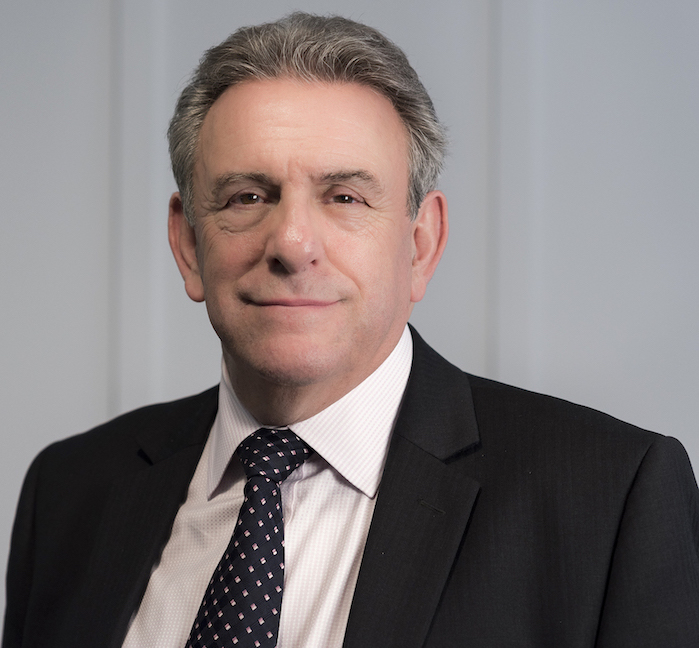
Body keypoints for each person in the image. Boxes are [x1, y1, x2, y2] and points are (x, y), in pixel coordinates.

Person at [4, 12, 699, 648]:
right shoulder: (69, 494)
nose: (292, 243)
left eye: (344, 197)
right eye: (248, 196)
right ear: (188, 245)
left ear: (420, 245)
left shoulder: (609, 503)